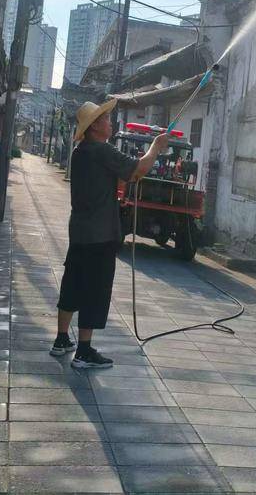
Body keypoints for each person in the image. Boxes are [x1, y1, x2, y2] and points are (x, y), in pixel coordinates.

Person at [51, 99, 169, 368]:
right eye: (105, 119)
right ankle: (84, 351)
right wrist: (155, 146)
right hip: (100, 234)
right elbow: (138, 170)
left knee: (73, 283)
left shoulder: (80, 152)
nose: (110, 122)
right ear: (94, 126)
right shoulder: (102, 150)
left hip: (80, 231)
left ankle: (61, 339)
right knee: (95, 290)